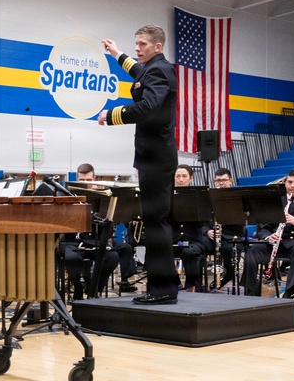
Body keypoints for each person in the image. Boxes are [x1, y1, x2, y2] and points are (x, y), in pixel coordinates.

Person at [99, 25, 181, 304]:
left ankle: (162, 290)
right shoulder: (153, 68)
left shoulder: (160, 70)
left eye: (143, 44)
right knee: (157, 222)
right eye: (136, 44)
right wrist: (117, 54)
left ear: (158, 47)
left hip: (156, 158)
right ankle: (167, 284)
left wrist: (112, 114)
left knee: (156, 224)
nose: (137, 48)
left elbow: (147, 107)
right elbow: (138, 73)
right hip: (154, 157)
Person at [242, 169, 294, 298]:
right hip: (276, 243)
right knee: (252, 252)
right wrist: (268, 236)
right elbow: (264, 227)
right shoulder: (276, 201)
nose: (292, 185)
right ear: (285, 183)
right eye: (290, 182)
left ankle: (290, 290)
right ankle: (251, 292)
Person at [75, 163, 138, 293]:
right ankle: (89, 284)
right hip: (83, 239)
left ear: (94, 178)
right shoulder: (74, 195)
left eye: (88, 180)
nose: (86, 183)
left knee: (125, 248)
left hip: (102, 238)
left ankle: (117, 282)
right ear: (77, 179)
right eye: (82, 180)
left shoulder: (104, 195)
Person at [172, 164, 211, 292]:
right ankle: (174, 284)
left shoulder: (198, 196)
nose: (181, 180)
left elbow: (205, 220)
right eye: (178, 176)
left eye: (184, 176)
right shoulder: (168, 196)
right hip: (173, 240)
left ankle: (191, 286)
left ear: (191, 178)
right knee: (161, 252)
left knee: (189, 252)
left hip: (193, 241)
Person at [205, 168, 243, 289]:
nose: (221, 183)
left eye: (224, 180)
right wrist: (207, 231)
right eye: (218, 180)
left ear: (230, 181)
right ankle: (197, 282)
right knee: (198, 247)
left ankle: (226, 277)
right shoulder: (207, 197)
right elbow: (200, 220)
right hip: (211, 236)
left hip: (230, 235)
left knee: (232, 249)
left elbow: (242, 221)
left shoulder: (237, 197)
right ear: (214, 181)